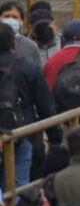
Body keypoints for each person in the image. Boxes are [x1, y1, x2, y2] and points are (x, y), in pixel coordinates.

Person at [0, 26, 61, 188]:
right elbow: (45, 106)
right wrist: (55, 137)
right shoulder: (28, 67)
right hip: (22, 132)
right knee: (19, 187)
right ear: (14, 44)